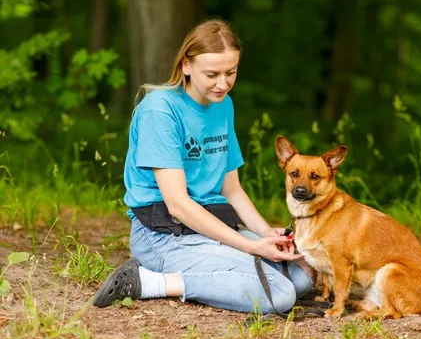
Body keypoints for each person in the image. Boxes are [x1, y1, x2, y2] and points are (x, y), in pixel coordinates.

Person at [92, 19, 314, 314]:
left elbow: (232, 190)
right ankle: (148, 281)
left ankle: (192, 273)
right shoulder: (160, 111)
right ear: (186, 65)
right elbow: (178, 206)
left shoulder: (223, 105)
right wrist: (249, 247)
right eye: (212, 74)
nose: (223, 84)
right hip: (164, 235)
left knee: (300, 279)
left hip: (210, 227)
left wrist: (265, 235)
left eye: (230, 72)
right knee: (281, 294)